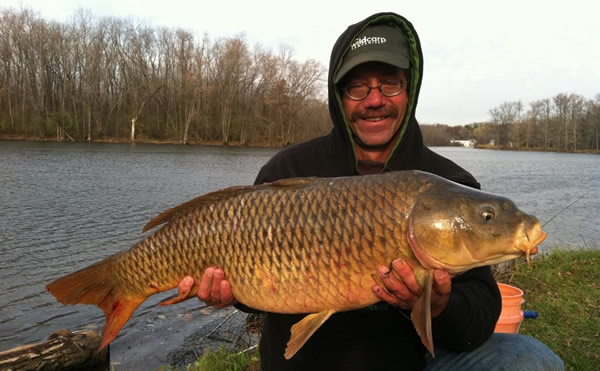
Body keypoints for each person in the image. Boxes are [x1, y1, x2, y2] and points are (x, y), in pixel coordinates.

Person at [178, 12, 564, 371]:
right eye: (358, 87)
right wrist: (232, 293)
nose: (375, 100)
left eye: (389, 83)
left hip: (408, 362)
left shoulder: (450, 182)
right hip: (305, 364)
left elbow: (477, 322)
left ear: (408, 90)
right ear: (339, 96)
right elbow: (254, 290)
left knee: (528, 357)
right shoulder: (287, 170)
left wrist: (439, 306)